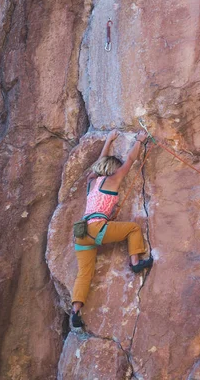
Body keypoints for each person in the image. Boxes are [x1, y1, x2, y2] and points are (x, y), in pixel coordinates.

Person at [71, 129, 153, 328]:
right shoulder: (114, 179)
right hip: (97, 227)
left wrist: (109, 140)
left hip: (81, 233)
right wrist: (140, 141)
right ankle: (135, 262)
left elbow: (99, 161)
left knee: (84, 273)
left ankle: (76, 311)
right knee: (133, 229)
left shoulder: (91, 181)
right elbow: (130, 160)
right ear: (112, 169)